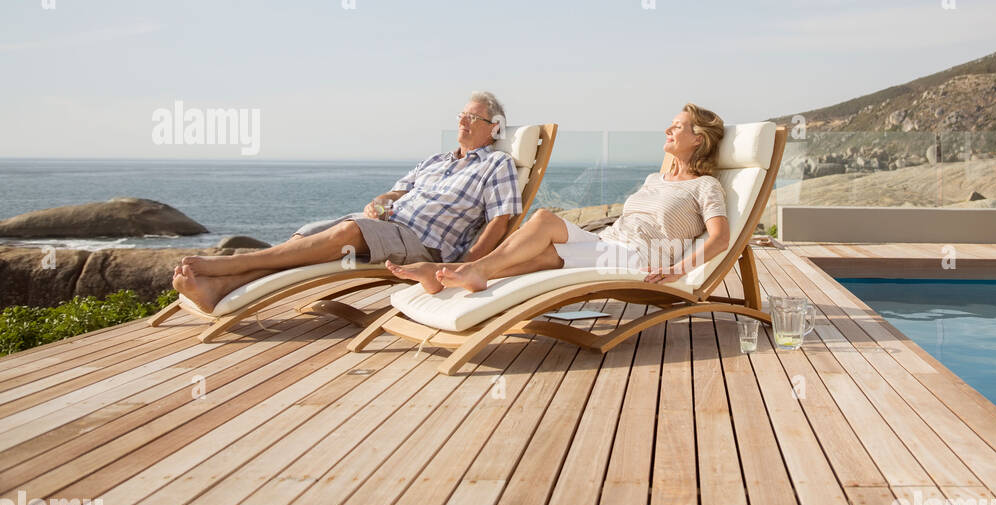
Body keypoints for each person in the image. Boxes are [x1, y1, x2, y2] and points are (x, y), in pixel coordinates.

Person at [171, 91, 520, 313]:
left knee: (347, 233)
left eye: (473, 117)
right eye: (461, 114)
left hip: (422, 245)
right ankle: (221, 289)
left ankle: (229, 266)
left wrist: (467, 266)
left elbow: (500, 220)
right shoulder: (435, 160)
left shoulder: (496, 163)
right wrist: (381, 203)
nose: (462, 121)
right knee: (308, 237)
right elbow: (394, 194)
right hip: (388, 225)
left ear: (494, 128)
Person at [389, 103, 728, 294]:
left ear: (698, 140)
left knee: (546, 224)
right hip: (607, 242)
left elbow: (720, 238)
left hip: (640, 258)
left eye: (678, 127)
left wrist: (677, 269)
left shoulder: (705, 186)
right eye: (670, 124)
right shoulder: (655, 178)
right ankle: (449, 273)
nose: (668, 131)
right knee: (545, 240)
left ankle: (458, 271)